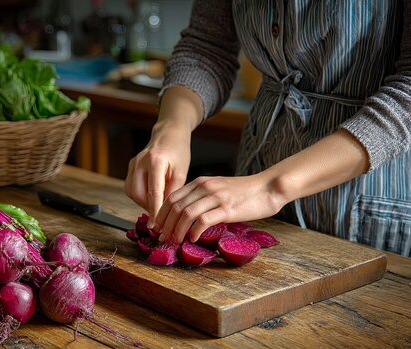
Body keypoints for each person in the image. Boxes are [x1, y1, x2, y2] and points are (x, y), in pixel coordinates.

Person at [124, 0, 411, 257]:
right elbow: (207, 47)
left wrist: (272, 187)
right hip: (254, 177)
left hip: (363, 197)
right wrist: (171, 130)